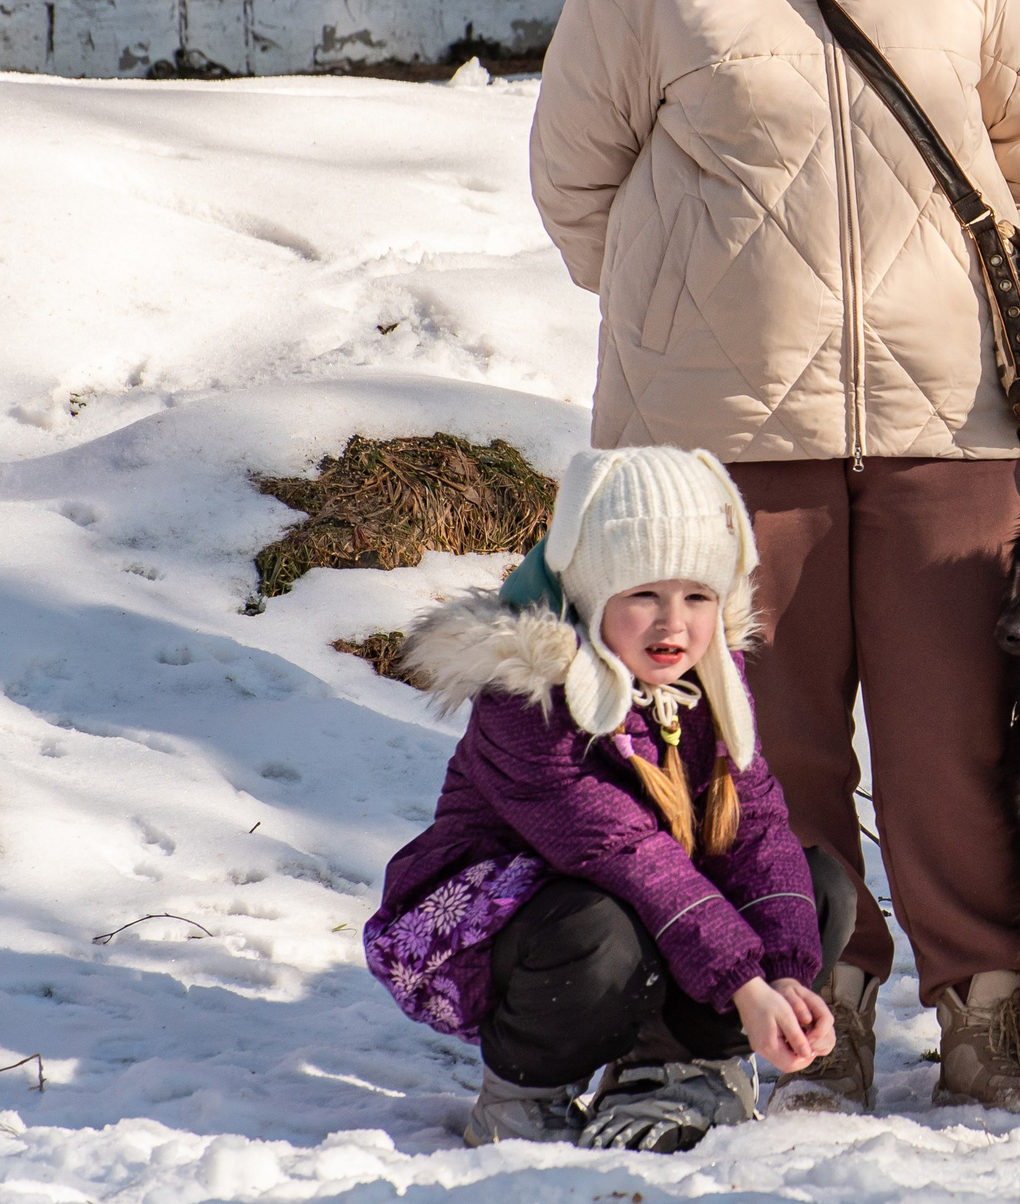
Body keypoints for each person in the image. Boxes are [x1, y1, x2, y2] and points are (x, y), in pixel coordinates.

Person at [527, 0, 1020, 1113]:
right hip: (714, 436)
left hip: (945, 421)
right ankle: (814, 1003)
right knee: (766, 748)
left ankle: (986, 1006)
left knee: (955, 737)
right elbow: (575, 178)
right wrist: (686, 313)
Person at [366, 446, 855, 1151]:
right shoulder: (527, 698)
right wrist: (746, 986)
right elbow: (628, 855)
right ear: (594, 593)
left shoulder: (707, 679)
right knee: (600, 927)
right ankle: (522, 1094)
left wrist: (783, 971)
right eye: (643, 595)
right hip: (510, 928)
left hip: (656, 910)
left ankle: (679, 1068)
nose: (674, 624)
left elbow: (757, 829)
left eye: (697, 596)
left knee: (814, 886)